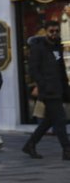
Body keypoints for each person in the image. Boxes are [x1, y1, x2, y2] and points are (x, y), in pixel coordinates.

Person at [22, 21, 70, 160]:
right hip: (48, 90)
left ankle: (30, 145)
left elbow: (61, 70)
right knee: (60, 120)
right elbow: (33, 70)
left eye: (56, 31)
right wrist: (43, 85)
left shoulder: (57, 47)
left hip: (58, 89)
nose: (54, 34)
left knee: (49, 121)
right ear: (46, 31)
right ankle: (67, 150)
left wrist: (66, 89)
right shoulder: (38, 48)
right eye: (51, 31)